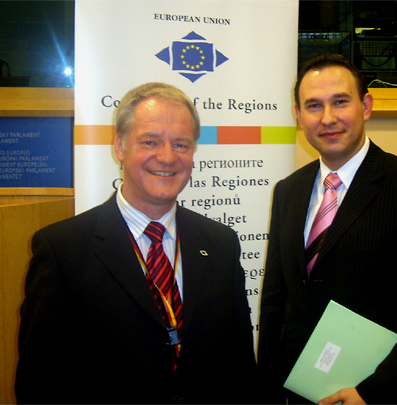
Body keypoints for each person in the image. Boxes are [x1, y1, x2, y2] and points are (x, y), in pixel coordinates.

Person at [15, 82, 257, 404]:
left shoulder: (220, 244)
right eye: (150, 141)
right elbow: (39, 384)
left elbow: (240, 366)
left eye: (181, 144)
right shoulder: (62, 250)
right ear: (120, 146)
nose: (168, 157)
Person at [257, 54, 397, 405]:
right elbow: (275, 301)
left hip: (378, 394)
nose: (327, 118)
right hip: (301, 392)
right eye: (313, 106)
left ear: (366, 106)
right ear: (298, 116)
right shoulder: (289, 191)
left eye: (340, 102)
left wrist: (374, 392)